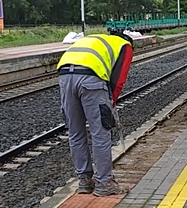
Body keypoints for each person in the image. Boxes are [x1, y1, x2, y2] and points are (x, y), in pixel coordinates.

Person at [56, 33, 133, 196]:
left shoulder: (97, 40)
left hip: (65, 77)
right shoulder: (125, 46)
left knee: (75, 133)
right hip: (90, 80)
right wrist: (110, 105)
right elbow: (119, 80)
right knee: (100, 133)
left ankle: (84, 181)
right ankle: (104, 183)